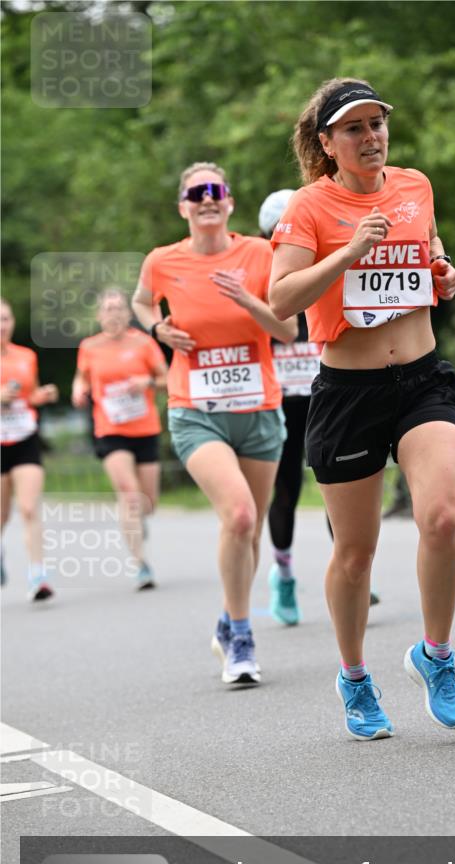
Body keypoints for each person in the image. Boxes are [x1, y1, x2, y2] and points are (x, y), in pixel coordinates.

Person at [269, 78, 455, 740]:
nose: (370, 136)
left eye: (376, 122)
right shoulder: (309, 206)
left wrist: (443, 271)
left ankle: (436, 655)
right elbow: (281, 300)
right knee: (355, 554)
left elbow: (431, 249)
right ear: (327, 143)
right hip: (348, 393)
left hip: (421, 380)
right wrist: (349, 251)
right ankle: (354, 677)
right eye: (353, 128)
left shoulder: (415, 186)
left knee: (442, 517)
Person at [132, 162, 297, 685]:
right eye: (195, 192)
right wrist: (157, 329)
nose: (206, 198)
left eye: (215, 190)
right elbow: (141, 301)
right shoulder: (163, 261)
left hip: (259, 410)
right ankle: (243, 638)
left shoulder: (259, 254)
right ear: (183, 206)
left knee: (248, 531)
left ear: (229, 202)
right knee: (241, 515)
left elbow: (289, 330)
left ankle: (228, 620)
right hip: (196, 411)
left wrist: (248, 300)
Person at [72, 287, 168, 590]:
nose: (113, 314)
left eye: (118, 308)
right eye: (107, 309)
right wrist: (78, 390)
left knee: (148, 502)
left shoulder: (144, 343)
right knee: (129, 494)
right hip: (110, 429)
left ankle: (138, 522)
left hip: (145, 428)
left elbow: (167, 379)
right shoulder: (89, 347)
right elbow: (82, 377)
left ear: (128, 314)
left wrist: (147, 381)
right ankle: (141, 564)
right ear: (99, 315)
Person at [259, 189, 321, 626]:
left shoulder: (324, 273)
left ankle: (355, 570)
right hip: (278, 405)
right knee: (286, 492)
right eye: (277, 236)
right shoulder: (261, 286)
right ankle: (283, 575)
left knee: (344, 487)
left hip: (324, 397)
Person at [1, 297, 59, 600]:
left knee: (28, 507)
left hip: (24, 437)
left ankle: (38, 575)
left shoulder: (26, 356)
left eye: (5, 318)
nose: (2, 325)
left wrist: (42, 395)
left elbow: (31, 394)